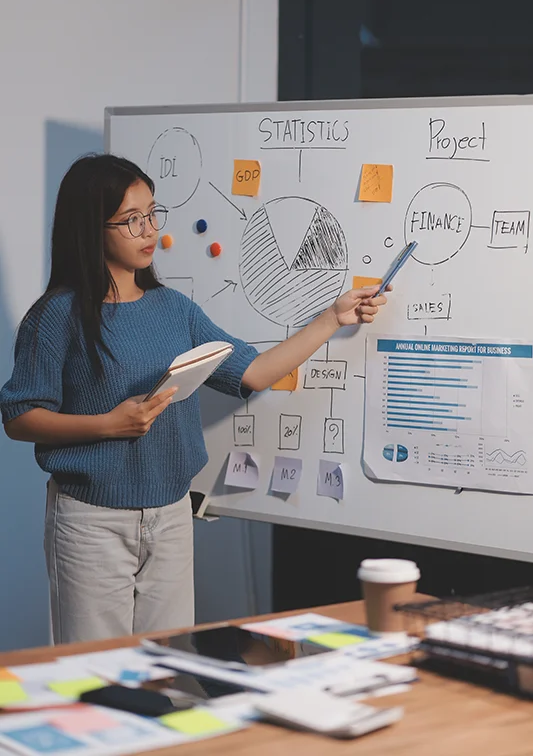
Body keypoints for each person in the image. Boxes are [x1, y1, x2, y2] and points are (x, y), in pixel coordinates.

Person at [0, 154, 389, 644]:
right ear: (90, 227)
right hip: (91, 521)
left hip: (171, 514)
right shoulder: (57, 316)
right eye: (130, 220)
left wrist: (333, 317)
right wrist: (108, 424)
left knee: (170, 666)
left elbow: (252, 372)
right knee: (96, 672)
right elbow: (19, 416)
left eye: (152, 213)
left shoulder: (174, 309)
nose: (148, 230)